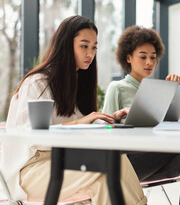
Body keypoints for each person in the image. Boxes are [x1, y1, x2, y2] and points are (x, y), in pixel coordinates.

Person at [0, 15, 147, 205]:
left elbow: (83, 126)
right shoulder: (37, 83)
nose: (90, 54)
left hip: (62, 162)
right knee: (108, 168)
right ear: (66, 45)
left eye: (94, 47)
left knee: (110, 170)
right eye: (84, 46)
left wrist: (111, 119)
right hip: (29, 171)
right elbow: (31, 136)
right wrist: (77, 123)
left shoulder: (75, 85)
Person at [102, 25, 180, 205]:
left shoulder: (159, 89)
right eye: (143, 57)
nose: (149, 62)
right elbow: (105, 132)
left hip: (157, 155)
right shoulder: (118, 88)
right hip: (129, 162)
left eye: (153, 57)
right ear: (128, 57)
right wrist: (117, 118)